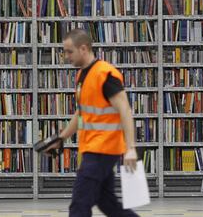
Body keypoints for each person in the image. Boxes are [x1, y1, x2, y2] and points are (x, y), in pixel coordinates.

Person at [45, 28, 140, 217]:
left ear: (84, 48)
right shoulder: (82, 76)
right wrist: (61, 138)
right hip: (93, 148)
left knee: (79, 205)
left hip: (102, 150)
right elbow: (82, 113)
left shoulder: (105, 74)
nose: (66, 56)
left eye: (69, 51)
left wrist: (131, 148)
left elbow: (125, 110)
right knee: (107, 203)